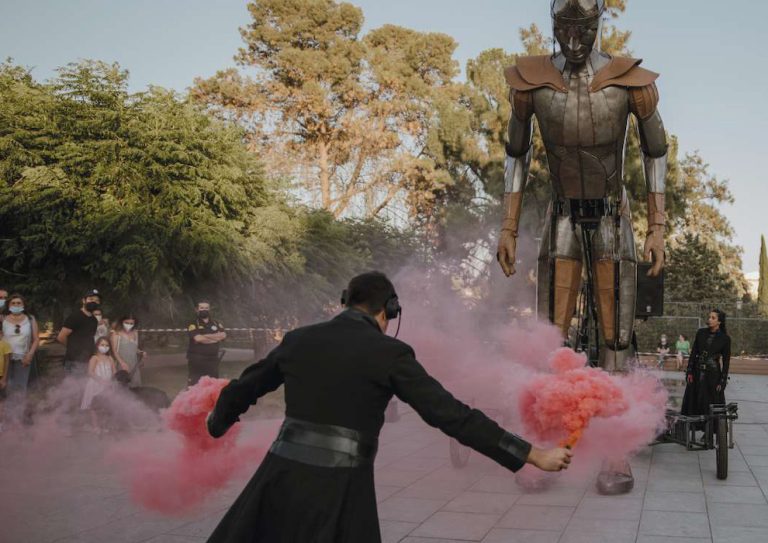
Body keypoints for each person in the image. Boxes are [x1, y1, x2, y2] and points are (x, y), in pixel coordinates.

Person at [205, 271, 573, 543]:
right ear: (390, 310)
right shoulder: (389, 352)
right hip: (341, 488)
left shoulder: (299, 339)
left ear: (345, 300)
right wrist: (531, 455)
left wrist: (216, 423)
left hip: (278, 478)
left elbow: (242, 389)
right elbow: (451, 415)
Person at [681, 309, 731, 418]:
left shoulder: (725, 339)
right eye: (709, 317)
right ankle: (692, 426)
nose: (709, 319)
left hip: (713, 376)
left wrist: (722, 381)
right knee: (694, 400)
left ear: (719, 322)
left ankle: (709, 431)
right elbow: (694, 353)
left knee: (710, 403)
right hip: (697, 372)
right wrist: (689, 371)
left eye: (713, 318)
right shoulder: (701, 333)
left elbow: (726, 362)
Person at [2, 294, 40, 422]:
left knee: (20, 389)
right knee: (5, 388)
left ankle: (18, 420)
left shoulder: (30, 319)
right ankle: (6, 420)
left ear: (23, 305)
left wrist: (29, 355)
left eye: (19, 303)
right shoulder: (2, 318)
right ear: (9, 305)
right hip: (4, 360)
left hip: (23, 359)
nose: (16, 305)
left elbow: (36, 339)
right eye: (13, 303)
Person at [58, 289, 102, 375]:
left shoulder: (94, 320)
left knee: (84, 387)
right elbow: (61, 337)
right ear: (84, 300)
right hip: (73, 361)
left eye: (97, 300)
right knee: (72, 386)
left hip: (88, 360)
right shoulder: (74, 317)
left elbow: (90, 338)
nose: (94, 302)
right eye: (91, 299)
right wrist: (72, 347)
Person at [80, 336, 117, 433]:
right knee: (94, 407)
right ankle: (96, 426)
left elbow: (114, 372)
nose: (104, 347)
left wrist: (112, 382)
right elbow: (90, 372)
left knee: (105, 406)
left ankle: (104, 425)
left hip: (107, 386)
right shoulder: (94, 358)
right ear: (97, 346)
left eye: (107, 345)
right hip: (95, 385)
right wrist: (101, 380)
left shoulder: (110, 358)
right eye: (102, 345)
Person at [186, 300, 226, 386]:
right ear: (197, 310)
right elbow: (198, 338)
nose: (204, 310)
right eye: (202, 308)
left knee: (213, 385)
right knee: (194, 386)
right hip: (196, 360)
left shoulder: (216, 323)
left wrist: (205, 337)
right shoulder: (193, 324)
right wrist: (215, 337)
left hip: (212, 360)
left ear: (209, 309)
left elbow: (223, 335)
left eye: (206, 308)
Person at [111, 313, 145, 386]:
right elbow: (114, 351)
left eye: (131, 323)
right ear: (122, 322)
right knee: (122, 386)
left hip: (134, 363)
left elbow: (135, 348)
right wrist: (122, 363)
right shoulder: (116, 334)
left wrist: (141, 352)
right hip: (122, 364)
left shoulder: (135, 332)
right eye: (126, 322)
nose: (129, 325)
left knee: (135, 386)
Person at [0, 327, 11, 432]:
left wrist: (4, 378)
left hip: (0, 376)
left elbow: (7, 361)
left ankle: (1, 423)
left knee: (1, 402)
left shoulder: (4, 344)